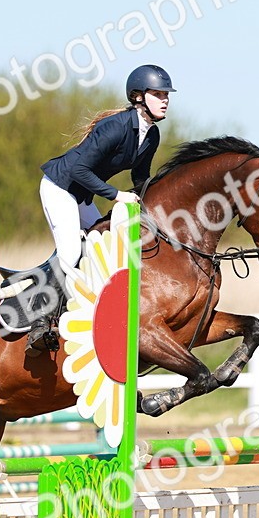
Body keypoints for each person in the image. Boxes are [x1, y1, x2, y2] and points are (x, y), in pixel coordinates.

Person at [28, 64, 175, 353]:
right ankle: (40, 322)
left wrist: (157, 204)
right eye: (158, 94)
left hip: (82, 195)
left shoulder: (151, 135)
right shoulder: (115, 127)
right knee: (71, 251)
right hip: (59, 187)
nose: (165, 100)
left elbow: (140, 177)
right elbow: (79, 169)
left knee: (101, 248)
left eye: (166, 95)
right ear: (138, 97)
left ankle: (81, 307)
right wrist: (117, 195)